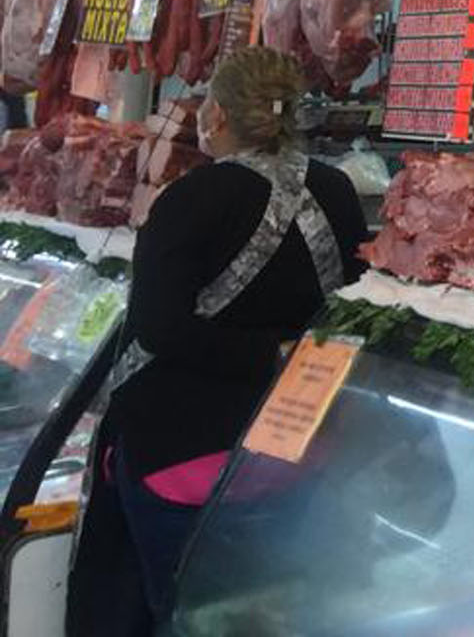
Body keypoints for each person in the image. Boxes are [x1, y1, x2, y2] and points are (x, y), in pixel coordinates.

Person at [95, 46, 367, 627]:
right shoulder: (338, 190)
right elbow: (352, 306)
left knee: (182, 611)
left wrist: (260, 352)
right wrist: (282, 354)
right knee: (261, 610)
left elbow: (158, 328)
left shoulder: (190, 198)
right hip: (293, 451)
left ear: (215, 115)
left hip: (181, 459)